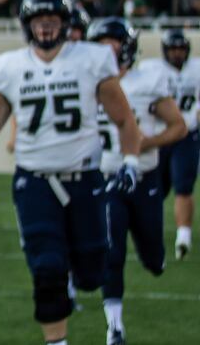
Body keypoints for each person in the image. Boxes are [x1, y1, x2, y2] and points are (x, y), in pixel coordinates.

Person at [0, 0, 141, 345]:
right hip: (35, 182)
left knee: (93, 272)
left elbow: (124, 120)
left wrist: (131, 162)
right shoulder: (8, 67)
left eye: (53, 21)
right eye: (39, 22)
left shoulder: (92, 59)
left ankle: (81, 274)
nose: (45, 29)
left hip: (85, 178)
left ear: (65, 24)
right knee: (46, 269)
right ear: (28, 26)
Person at [89, 18, 186, 345]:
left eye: (112, 43)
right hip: (108, 178)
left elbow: (178, 127)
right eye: (100, 43)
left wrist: (149, 142)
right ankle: (114, 326)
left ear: (126, 46)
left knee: (152, 256)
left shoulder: (149, 80)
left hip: (145, 178)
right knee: (111, 250)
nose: (107, 50)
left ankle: (154, 257)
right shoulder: (86, 80)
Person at [141, 28, 200, 260]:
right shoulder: (151, 70)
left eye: (181, 49)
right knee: (156, 189)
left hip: (186, 135)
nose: (177, 53)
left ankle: (183, 236)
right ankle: (148, 231)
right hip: (160, 136)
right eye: (173, 49)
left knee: (184, 185)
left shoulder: (196, 68)